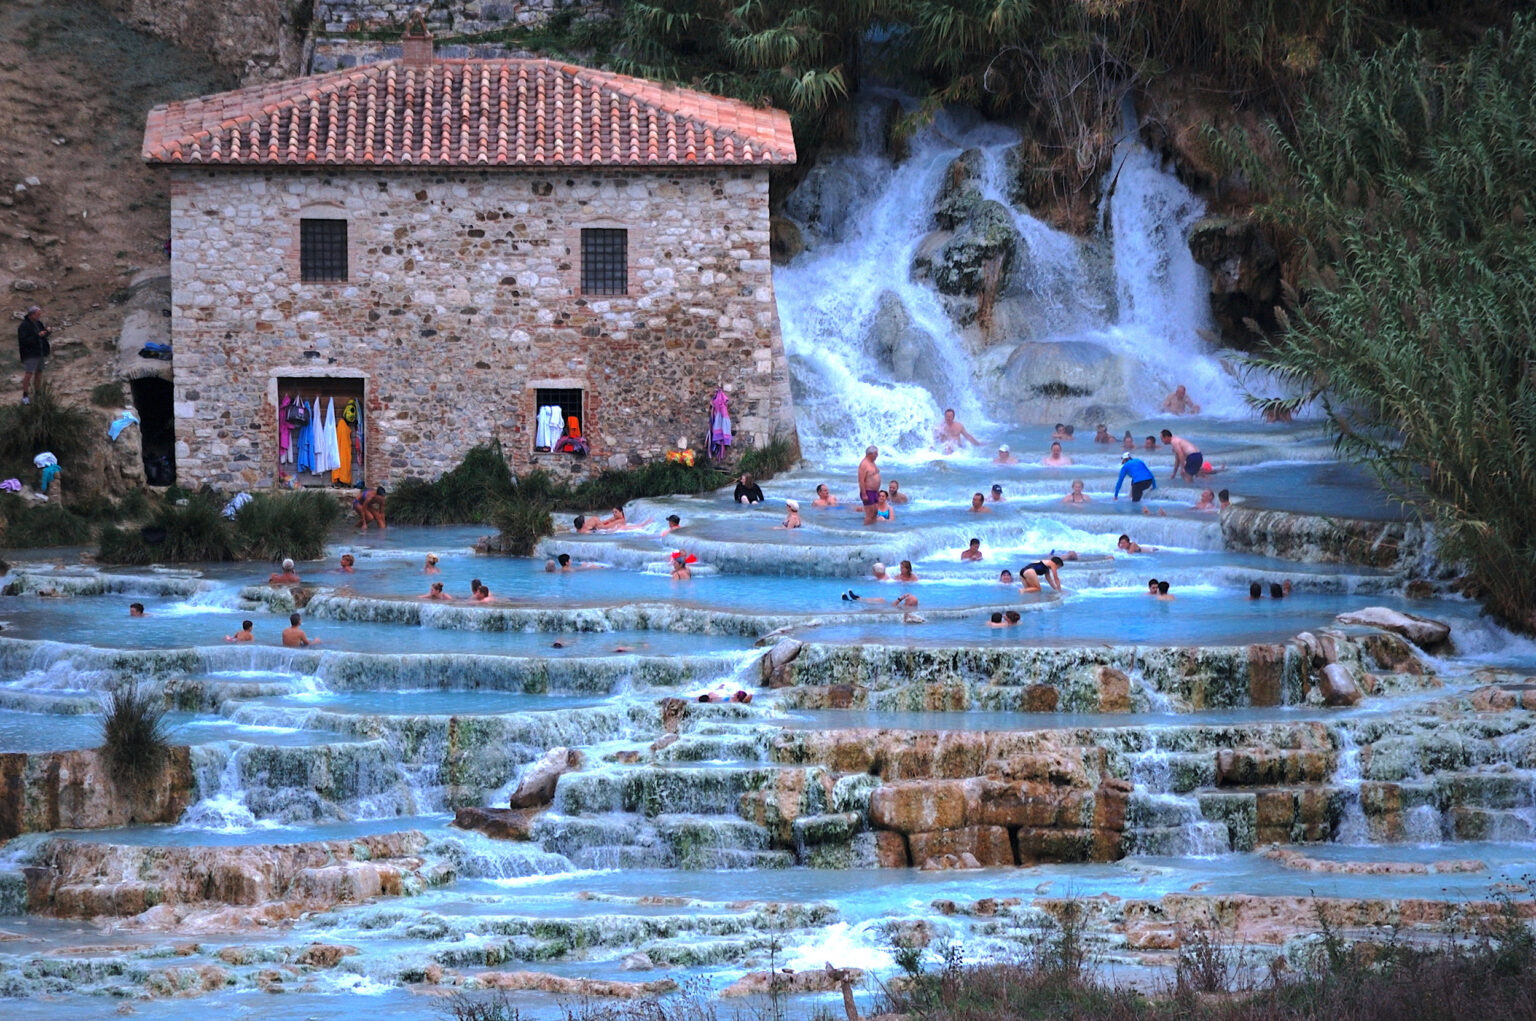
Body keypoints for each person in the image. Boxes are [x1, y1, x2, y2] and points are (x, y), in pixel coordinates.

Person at [17, 304, 50, 403]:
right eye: (37, 314)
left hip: (39, 352)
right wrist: (38, 335)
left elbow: (43, 335)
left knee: (39, 373)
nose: (39, 316)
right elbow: (24, 341)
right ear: (31, 314)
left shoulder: (38, 323)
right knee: (29, 373)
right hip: (30, 354)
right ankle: (25, 396)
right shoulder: (24, 326)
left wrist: (47, 332)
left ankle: (38, 394)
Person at [858, 446, 881, 525]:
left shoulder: (872, 462)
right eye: (875, 454)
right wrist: (864, 493)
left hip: (874, 491)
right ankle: (865, 531)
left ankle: (873, 529)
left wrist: (877, 490)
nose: (877, 455)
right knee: (869, 513)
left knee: (875, 512)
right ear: (869, 454)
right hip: (868, 491)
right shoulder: (864, 464)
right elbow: (861, 480)